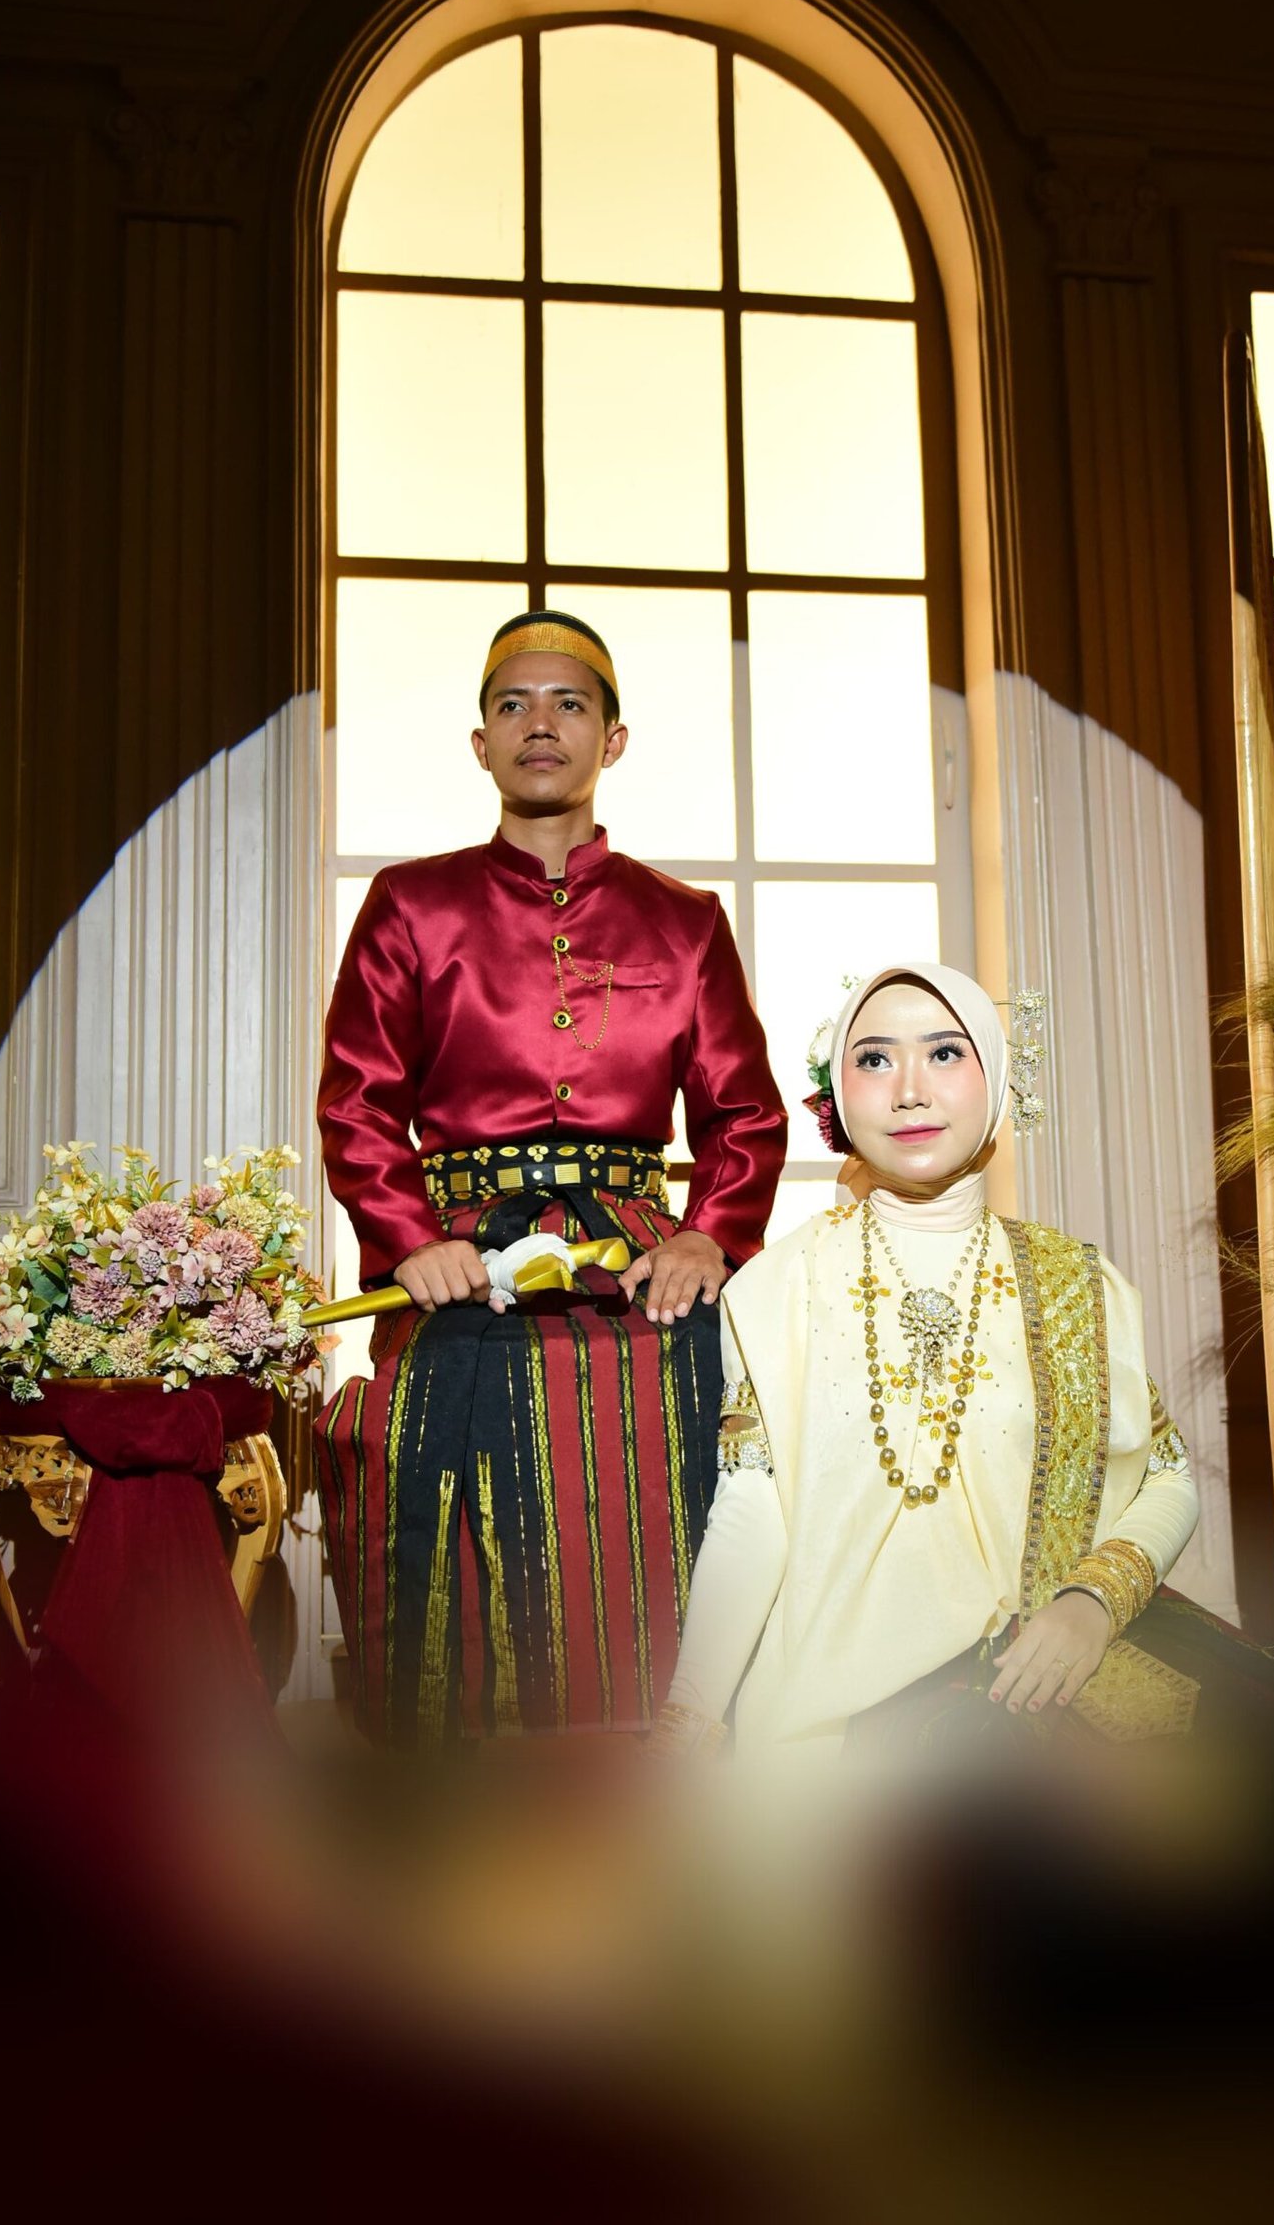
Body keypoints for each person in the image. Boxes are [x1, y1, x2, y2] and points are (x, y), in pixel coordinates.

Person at [656, 961, 1274, 1757]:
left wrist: (1093, 1602)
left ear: (996, 1081)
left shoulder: (1075, 1281)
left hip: (1046, 1670)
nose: (910, 1091)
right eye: (876, 1058)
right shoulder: (778, 1286)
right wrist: (687, 1716)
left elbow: (1165, 1475)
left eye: (945, 1053)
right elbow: (752, 1514)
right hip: (837, 1717)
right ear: (838, 1098)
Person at [316, 608, 786, 1746]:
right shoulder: (411, 905)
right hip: (457, 1253)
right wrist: (408, 1238)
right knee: (411, 1440)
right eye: (513, 704)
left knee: (692, 1450)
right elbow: (357, 1101)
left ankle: (656, 1773)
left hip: (636, 1257)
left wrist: (706, 1234)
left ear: (611, 739)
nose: (541, 723)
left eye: (570, 703)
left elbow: (744, 1114)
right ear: (480, 742)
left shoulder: (686, 922)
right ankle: (444, 1791)